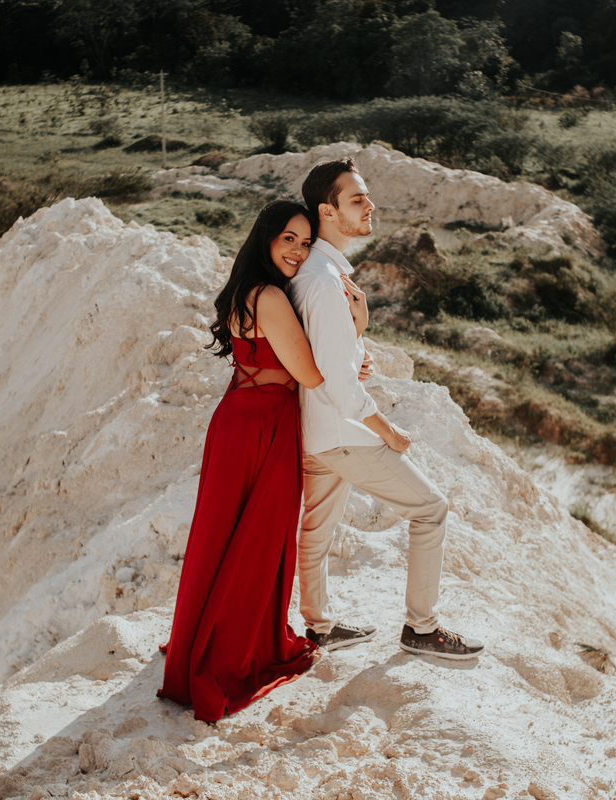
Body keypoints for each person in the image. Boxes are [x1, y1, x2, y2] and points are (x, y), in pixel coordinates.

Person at [158, 200, 368, 721]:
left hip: (240, 420)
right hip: (262, 427)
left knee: (223, 537)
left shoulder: (246, 289)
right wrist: (355, 330)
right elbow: (312, 374)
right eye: (287, 239)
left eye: (305, 242)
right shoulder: (271, 296)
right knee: (256, 539)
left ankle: (199, 641)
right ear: (266, 239)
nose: (297, 250)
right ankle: (228, 653)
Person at [289, 157, 484, 660]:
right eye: (357, 199)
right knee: (431, 508)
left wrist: (357, 336)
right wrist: (387, 430)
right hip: (342, 431)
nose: (370, 205)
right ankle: (422, 628)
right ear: (327, 211)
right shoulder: (324, 282)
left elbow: (325, 359)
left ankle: (319, 626)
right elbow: (337, 382)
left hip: (316, 429)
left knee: (316, 527)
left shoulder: (317, 273)